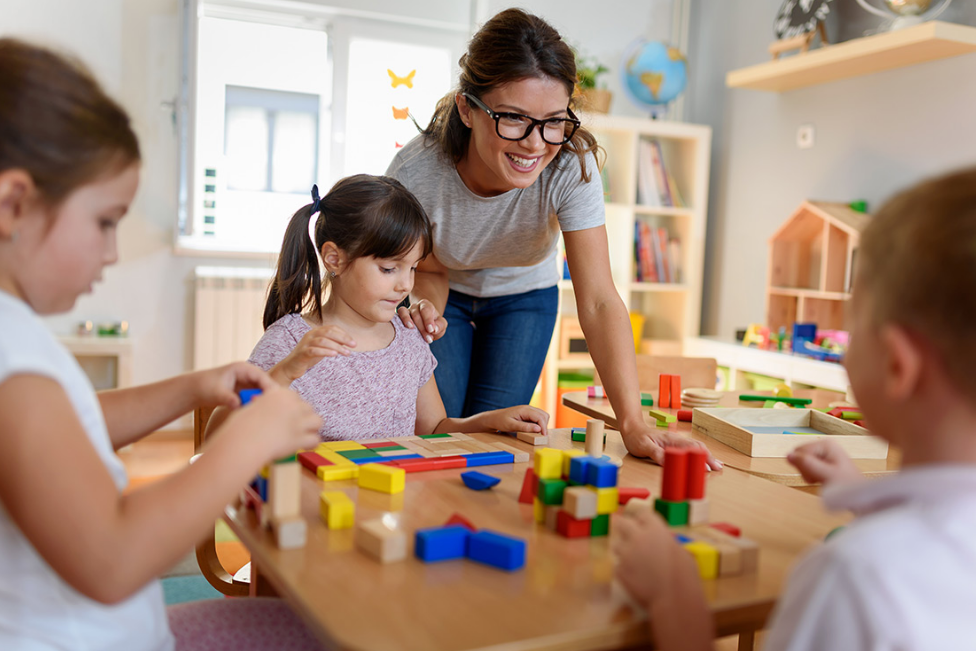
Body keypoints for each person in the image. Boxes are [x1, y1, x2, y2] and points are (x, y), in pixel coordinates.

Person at [0, 39, 326, 650]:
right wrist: (245, 446)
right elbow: (113, 557)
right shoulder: (14, 365)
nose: (112, 251)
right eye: (104, 221)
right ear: (14, 203)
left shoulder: (12, 338)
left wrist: (192, 388)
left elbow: (62, 429)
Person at [613, 167, 976, 650]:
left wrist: (673, 595)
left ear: (895, 364)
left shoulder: (853, 578)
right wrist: (859, 496)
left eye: (851, 326)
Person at [386, 8, 718, 468]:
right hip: (446, 289)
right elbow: (430, 267)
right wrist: (423, 312)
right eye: (514, 119)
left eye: (554, 121)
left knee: (495, 442)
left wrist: (633, 423)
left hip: (524, 295)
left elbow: (600, 300)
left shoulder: (570, 167)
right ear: (467, 108)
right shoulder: (417, 173)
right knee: (443, 432)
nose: (535, 144)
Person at [207, 174, 549, 442]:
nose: (405, 285)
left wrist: (490, 421)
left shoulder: (408, 339)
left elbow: (433, 430)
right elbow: (215, 437)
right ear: (334, 259)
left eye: (413, 268)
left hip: (392, 508)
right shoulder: (290, 343)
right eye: (389, 268)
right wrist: (286, 372)